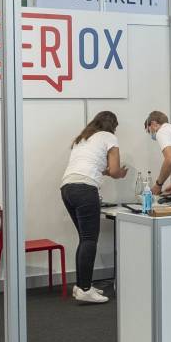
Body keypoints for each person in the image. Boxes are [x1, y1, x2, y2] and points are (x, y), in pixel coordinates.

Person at [59, 112, 126, 304]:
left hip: (67, 188)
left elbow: (93, 166)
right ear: (112, 125)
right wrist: (119, 173)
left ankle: (81, 285)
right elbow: (113, 171)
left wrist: (108, 171)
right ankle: (85, 289)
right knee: (89, 240)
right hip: (85, 189)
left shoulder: (83, 138)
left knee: (84, 239)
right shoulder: (110, 137)